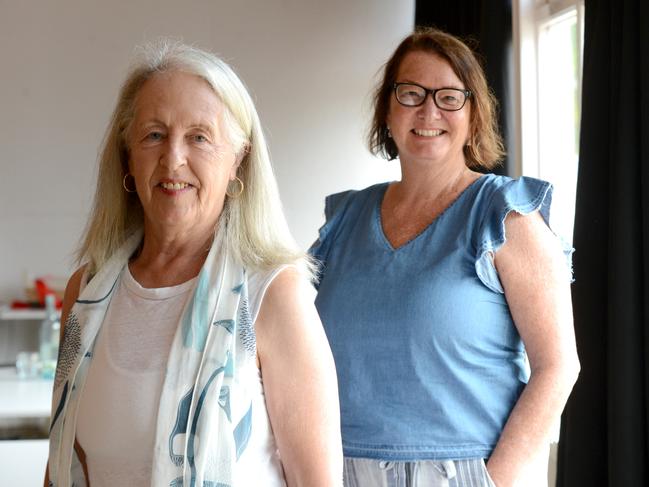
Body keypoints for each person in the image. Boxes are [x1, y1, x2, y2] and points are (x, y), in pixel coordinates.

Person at [45, 40, 342, 487]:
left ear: (237, 161)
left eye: (199, 137)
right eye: (154, 135)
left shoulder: (274, 294)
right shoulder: (85, 294)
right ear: (128, 155)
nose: (173, 158)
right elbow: (61, 465)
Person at [310, 27, 580, 487]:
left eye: (450, 97)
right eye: (411, 93)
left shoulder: (505, 215)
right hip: (339, 469)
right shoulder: (344, 218)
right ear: (388, 111)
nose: (429, 110)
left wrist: (492, 482)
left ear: (473, 115)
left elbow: (558, 367)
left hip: (462, 472)